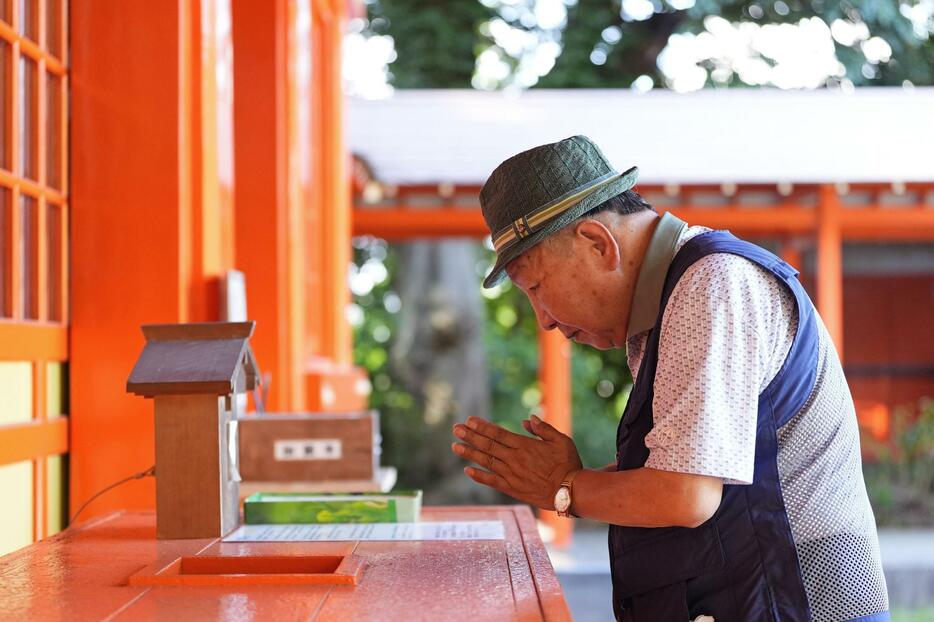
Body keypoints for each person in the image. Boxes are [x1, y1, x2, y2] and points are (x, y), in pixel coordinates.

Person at [451, 135, 890, 622]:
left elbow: (686, 494)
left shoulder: (711, 284)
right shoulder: (665, 301)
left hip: (799, 601)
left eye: (535, 286)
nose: (545, 319)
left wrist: (565, 487)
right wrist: (566, 483)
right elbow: (686, 470)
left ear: (597, 243)